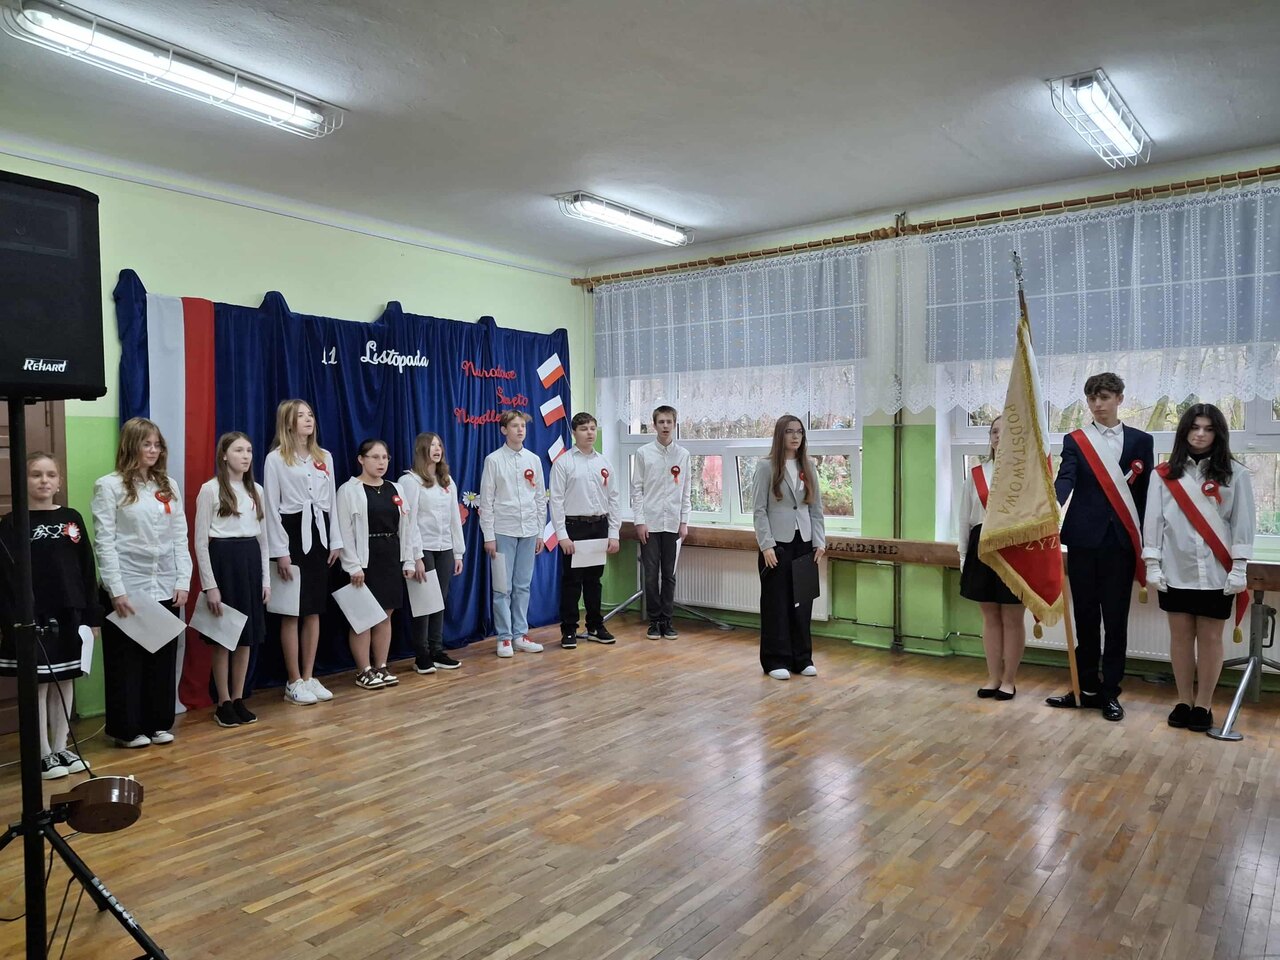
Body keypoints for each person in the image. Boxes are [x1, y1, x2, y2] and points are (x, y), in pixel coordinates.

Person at [1046, 373, 1153, 722]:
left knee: (1116, 620)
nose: (1097, 404)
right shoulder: (1076, 440)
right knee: (1086, 618)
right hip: (1083, 541)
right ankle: (1085, 688)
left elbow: (1146, 496)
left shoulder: (1142, 441)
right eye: (1092, 398)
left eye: (1104, 397)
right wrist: (1050, 506)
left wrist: (1149, 540)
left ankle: (1111, 692)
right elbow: (1066, 479)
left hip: (1121, 544)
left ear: (1119, 398)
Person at [1143, 404, 1255, 733]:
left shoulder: (1236, 474)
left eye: (1208, 428)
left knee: (1210, 639)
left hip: (1218, 572)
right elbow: (1154, 521)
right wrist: (1152, 563)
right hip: (1175, 570)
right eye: (1194, 427)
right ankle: (1183, 700)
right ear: (1184, 432)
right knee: (1180, 638)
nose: (1200, 434)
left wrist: (1239, 567)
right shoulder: (1163, 475)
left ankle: (1204, 704)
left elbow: (1242, 523)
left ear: (1218, 433)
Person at [91, 417, 191, 748]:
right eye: (146, 444)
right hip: (128, 585)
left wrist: (183, 579)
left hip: (164, 583)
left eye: (157, 444)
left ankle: (158, 723)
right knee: (126, 661)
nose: (153, 450)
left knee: (161, 657)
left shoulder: (168, 485)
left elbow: (180, 535)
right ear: (131, 445)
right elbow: (104, 541)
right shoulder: (109, 486)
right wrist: (115, 589)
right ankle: (127, 729)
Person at [0, 453, 98, 777]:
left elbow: (86, 567)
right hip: (33, 617)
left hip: (69, 612)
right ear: (23, 480)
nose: (44, 480)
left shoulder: (71, 518)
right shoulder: (11, 523)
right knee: (39, 685)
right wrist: (12, 621)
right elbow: (5, 578)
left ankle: (61, 747)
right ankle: (41, 753)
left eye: (50, 474)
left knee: (65, 680)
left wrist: (92, 616)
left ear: (59, 481)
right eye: (36, 474)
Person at [263, 399, 342, 706]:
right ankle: (293, 680)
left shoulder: (324, 457)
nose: (308, 420)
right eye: (300, 416)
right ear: (288, 422)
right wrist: (280, 551)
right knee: (291, 610)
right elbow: (271, 508)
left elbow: (331, 503)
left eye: (310, 414)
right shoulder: (275, 459)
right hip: (292, 534)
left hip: (318, 533)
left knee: (313, 608)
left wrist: (335, 540)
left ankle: (309, 676)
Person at [193, 432, 270, 728]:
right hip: (224, 563)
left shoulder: (256, 491)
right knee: (224, 636)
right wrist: (210, 585)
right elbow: (201, 542)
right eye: (239, 450)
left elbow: (263, 540)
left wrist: (265, 580)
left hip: (249, 561)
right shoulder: (210, 490)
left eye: (249, 450)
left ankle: (238, 697)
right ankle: (223, 701)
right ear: (224, 455)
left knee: (246, 636)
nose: (246, 456)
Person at [336, 439, 416, 689]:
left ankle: (381, 665)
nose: (381, 462)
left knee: (385, 614)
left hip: (390, 555)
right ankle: (364, 670)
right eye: (375, 457)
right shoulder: (348, 490)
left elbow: (407, 526)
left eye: (385, 458)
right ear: (361, 459)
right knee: (363, 617)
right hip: (364, 559)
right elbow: (344, 530)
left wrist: (409, 559)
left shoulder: (395, 488)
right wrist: (353, 565)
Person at [751, 415, 826, 679]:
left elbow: (816, 508)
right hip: (777, 545)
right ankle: (775, 660)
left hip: (804, 542)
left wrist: (819, 540)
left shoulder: (809, 466)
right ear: (780, 435)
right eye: (790, 431)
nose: (795, 436)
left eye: (800, 432)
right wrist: (766, 545)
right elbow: (759, 510)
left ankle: (802, 658)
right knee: (777, 604)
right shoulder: (766, 467)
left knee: (802, 603)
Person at [956, 417, 1025, 700]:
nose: (998, 436)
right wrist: (963, 556)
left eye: (1005, 432)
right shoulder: (976, 474)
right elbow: (964, 519)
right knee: (990, 616)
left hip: (1014, 548)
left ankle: (1009, 680)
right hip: (980, 547)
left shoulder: (1026, 476)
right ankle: (993, 677)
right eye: (994, 431)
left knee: (1012, 616)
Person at [549, 412, 621, 649]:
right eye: (583, 429)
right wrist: (562, 535)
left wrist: (614, 533)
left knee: (594, 581)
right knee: (572, 582)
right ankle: (569, 629)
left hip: (599, 526)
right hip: (574, 528)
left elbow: (613, 498)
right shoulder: (564, 463)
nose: (589, 433)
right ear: (574, 433)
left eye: (592, 428)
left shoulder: (604, 463)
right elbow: (556, 501)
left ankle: (595, 626)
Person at [479, 410, 546, 658]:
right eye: (514, 426)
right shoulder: (493, 460)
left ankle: (520, 635)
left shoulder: (533, 459)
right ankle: (504, 637)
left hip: (528, 530)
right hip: (503, 530)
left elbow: (540, 498)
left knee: (522, 585)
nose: (520, 430)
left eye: (523, 426)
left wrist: (540, 532)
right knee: (502, 587)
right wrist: (489, 536)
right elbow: (486, 500)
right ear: (504, 430)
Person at [401, 432, 465, 674]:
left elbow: (454, 519)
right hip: (423, 548)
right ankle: (422, 654)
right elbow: (410, 521)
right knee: (424, 603)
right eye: (431, 445)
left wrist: (458, 553)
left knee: (439, 601)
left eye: (439, 445)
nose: (437, 449)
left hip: (444, 548)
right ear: (422, 450)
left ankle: (437, 650)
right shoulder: (410, 481)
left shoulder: (447, 481)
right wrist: (415, 556)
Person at [630, 405, 691, 640]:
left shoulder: (683, 455)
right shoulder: (644, 453)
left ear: (675, 424)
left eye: (669, 422)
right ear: (654, 425)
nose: (665, 426)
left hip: (673, 523)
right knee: (650, 573)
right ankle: (654, 620)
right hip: (650, 523)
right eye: (661, 422)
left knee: (669, 574)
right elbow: (637, 490)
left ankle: (667, 619)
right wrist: (639, 521)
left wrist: (684, 521)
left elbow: (686, 490)